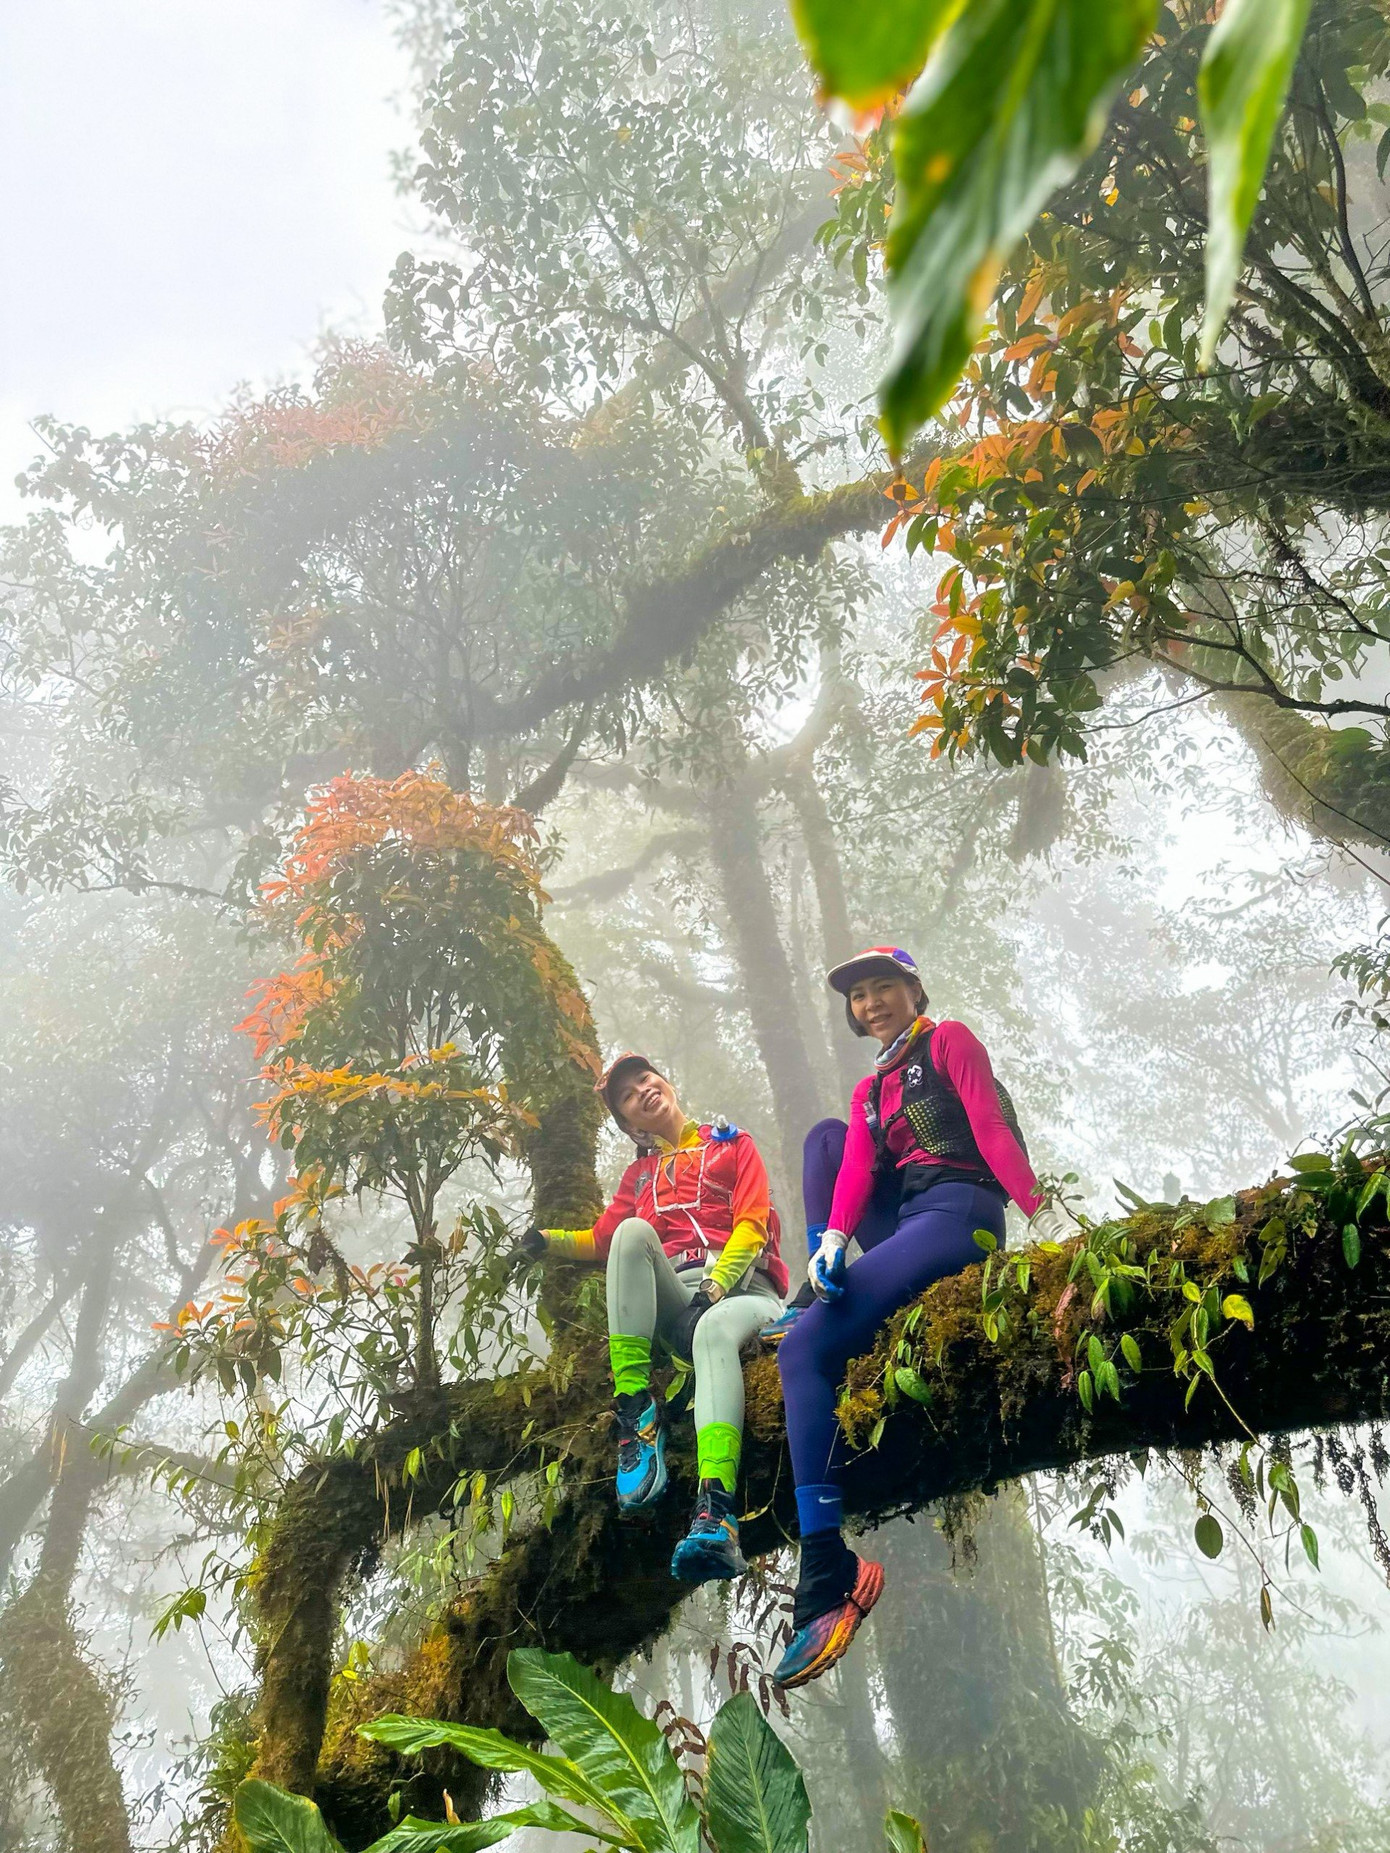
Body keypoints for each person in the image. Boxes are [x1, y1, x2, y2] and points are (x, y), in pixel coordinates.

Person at [771, 946, 1079, 1690]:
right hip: (906, 1218)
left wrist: (1047, 1215)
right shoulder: (871, 1087)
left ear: (915, 989)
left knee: (802, 1353)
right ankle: (819, 1282)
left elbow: (991, 1128)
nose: (871, 1002)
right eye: (859, 995)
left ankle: (825, 1570)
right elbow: (853, 1173)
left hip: (959, 1213)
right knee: (823, 1140)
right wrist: (835, 1241)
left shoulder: (950, 1040)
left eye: (884, 987)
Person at [518, 1052, 788, 1585]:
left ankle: (716, 1512)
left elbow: (753, 1225)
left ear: (665, 1081)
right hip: (676, 1301)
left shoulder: (731, 1143)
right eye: (626, 1095)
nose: (641, 1090)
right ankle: (637, 1412)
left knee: (711, 1330)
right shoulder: (639, 1176)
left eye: (645, 1078)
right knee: (630, 1233)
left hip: (743, 1295)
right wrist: (544, 1240)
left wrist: (710, 1293)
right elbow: (601, 1242)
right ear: (627, 1124)